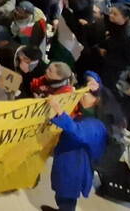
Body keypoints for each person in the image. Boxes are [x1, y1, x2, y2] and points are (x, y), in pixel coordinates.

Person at [41, 74, 109, 211]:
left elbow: (77, 131)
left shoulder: (95, 124)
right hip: (70, 160)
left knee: (66, 195)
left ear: (97, 100)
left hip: (75, 165)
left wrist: (58, 110)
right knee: (62, 192)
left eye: (87, 94)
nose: (83, 95)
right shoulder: (86, 114)